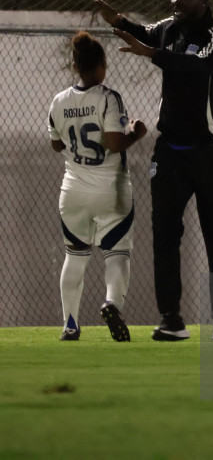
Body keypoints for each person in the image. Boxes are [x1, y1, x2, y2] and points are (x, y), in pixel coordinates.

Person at [95, 0, 213, 341]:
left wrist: (155, 55)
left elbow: (201, 66)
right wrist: (119, 20)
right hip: (169, 151)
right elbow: (143, 33)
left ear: (203, 0)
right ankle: (171, 319)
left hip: (211, 150)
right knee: (165, 235)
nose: (175, 0)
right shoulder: (167, 29)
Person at [48, 31, 147, 341]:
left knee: (75, 256)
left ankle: (70, 324)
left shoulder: (59, 101)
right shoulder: (108, 97)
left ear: (76, 67)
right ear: (102, 65)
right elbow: (115, 143)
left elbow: (55, 145)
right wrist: (136, 132)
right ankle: (112, 303)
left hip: (73, 191)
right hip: (111, 190)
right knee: (117, 251)